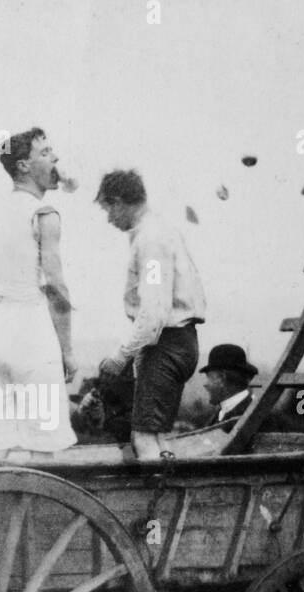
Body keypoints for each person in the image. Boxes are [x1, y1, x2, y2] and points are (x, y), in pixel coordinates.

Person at [0, 128, 77, 459]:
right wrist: (67, 350)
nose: (55, 158)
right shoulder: (45, 214)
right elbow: (56, 289)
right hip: (29, 330)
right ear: (23, 166)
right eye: (45, 153)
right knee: (42, 446)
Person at [95, 169, 207, 459]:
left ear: (119, 201)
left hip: (165, 345)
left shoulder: (151, 240)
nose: (109, 219)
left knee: (143, 438)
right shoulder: (160, 231)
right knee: (157, 435)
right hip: (179, 342)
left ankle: (157, 501)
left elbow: (154, 312)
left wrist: (120, 357)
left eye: (108, 210)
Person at [200, 344, 257, 433]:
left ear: (222, 378)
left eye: (209, 377)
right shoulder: (226, 410)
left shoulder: (249, 415)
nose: (205, 384)